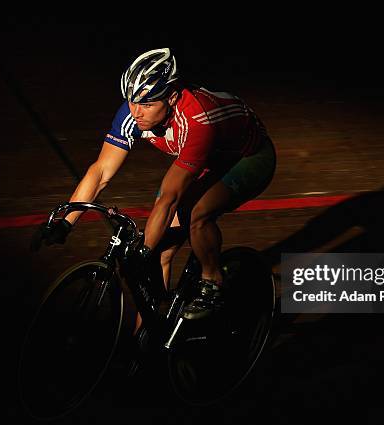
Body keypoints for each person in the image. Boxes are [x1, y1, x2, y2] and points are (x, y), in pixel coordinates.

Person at [33, 48, 276, 321]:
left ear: (171, 97)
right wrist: (67, 221)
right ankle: (146, 341)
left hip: (247, 158)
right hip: (203, 159)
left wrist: (142, 251)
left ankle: (213, 282)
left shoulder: (197, 120)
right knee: (159, 253)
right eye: (132, 101)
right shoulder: (134, 110)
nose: (136, 112)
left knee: (196, 214)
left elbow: (169, 198)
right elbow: (101, 171)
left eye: (147, 105)